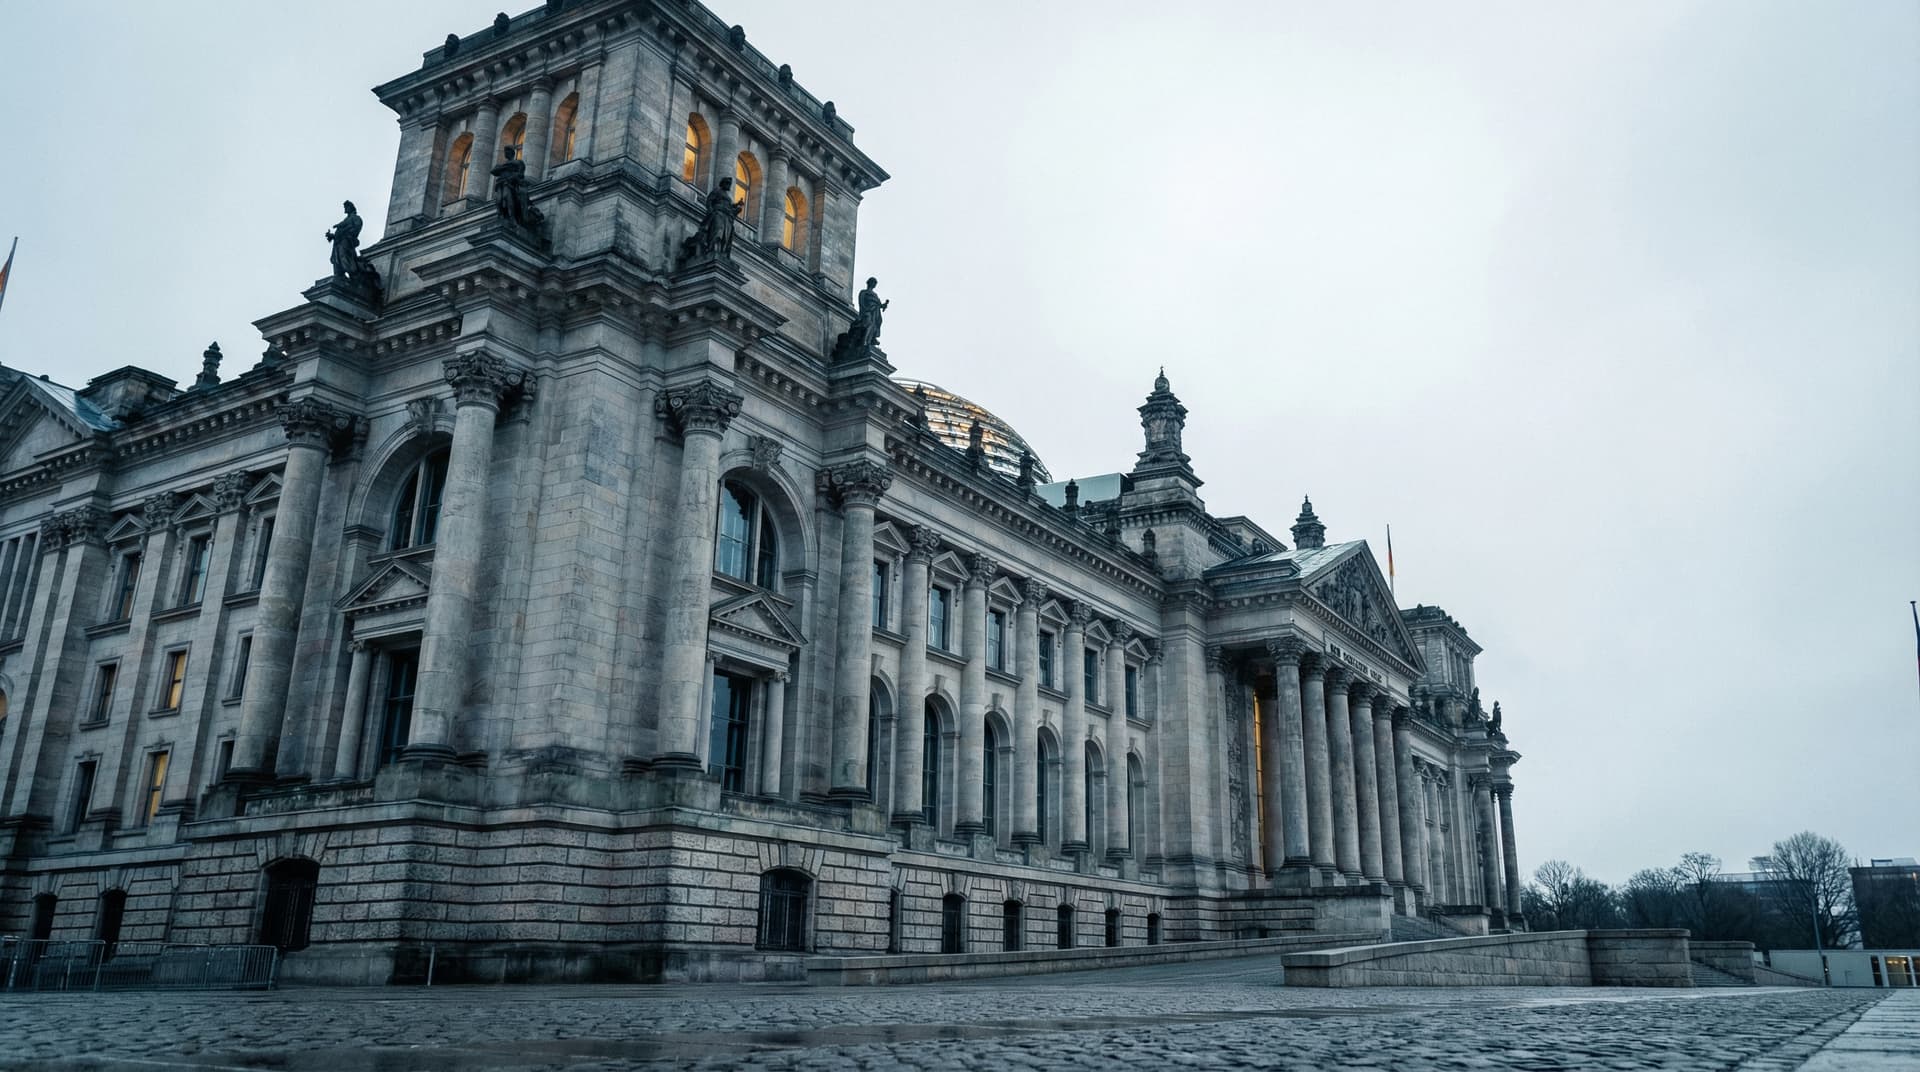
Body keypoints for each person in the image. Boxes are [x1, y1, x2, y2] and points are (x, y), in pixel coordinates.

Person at [491, 146, 544, 230]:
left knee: (506, 197)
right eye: (505, 152)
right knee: (498, 201)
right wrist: (505, 167)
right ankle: (501, 216)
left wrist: (512, 177)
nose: (505, 153)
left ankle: (512, 218)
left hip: (509, 183)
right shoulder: (502, 165)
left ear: (512, 153)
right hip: (500, 184)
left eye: (507, 151)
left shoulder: (518, 162)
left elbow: (521, 174)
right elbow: (493, 171)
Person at [326, 201, 363, 280]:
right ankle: (339, 275)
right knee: (335, 258)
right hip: (338, 242)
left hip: (346, 241)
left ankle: (353, 274)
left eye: (346, 207)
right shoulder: (346, 219)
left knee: (344, 256)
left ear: (351, 208)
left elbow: (357, 228)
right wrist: (332, 236)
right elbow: (339, 233)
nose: (345, 209)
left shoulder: (355, 218)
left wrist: (347, 233)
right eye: (345, 207)